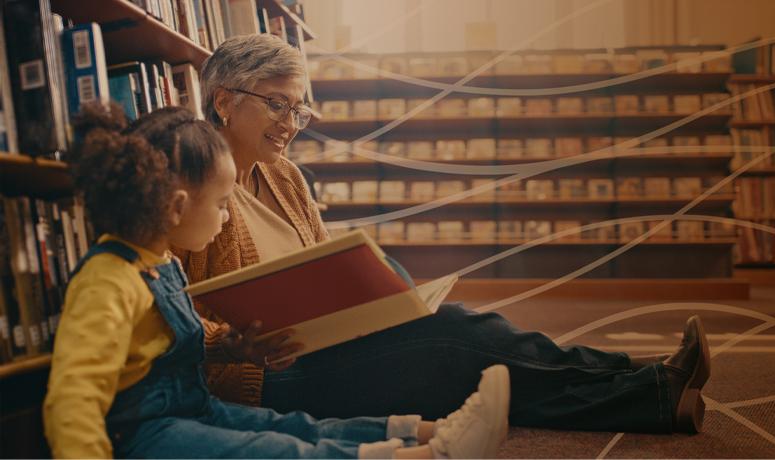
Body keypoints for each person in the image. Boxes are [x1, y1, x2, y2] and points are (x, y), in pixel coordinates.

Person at [175, 33, 712, 435]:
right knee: (456, 338)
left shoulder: (286, 176)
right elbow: (173, 315)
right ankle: (646, 384)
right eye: (277, 104)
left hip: (329, 348)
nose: (291, 122)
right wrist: (242, 346)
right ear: (223, 101)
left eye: (299, 109)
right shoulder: (192, 185)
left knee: (466, 367)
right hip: (264, 381)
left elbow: (321, 267)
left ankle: (651, 392)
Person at [42, 103, 511, 459]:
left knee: (294, 425)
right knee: (276, 451)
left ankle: (432, 430)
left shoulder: (159, 261)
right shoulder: (106, 281)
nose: (227, 218)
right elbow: (74, 397)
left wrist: (228, 347)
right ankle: (435, 455)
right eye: (223, 202)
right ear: (178, 207)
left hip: (191, 407)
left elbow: (162, 346)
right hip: (144, 433)